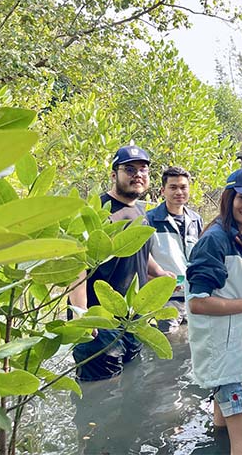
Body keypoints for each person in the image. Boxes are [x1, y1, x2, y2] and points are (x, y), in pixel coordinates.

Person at [69, 145, 176, 381]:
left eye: (143, 170)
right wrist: (82, 315)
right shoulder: (97, 212)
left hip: (131, 318)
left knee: (129, 385)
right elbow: (77, 267)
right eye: (129, 169)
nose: (138, 174)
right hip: (99, 320)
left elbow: (138, 250)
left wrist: (159, 272)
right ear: (113, 175)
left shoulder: (140, 211)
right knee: (101, 395)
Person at [185, 167, 242, 455]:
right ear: (229, 197)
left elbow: (225, 290)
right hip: (228, 355)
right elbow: (197, 302)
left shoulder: (238, 237)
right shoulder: (216, 239)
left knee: (223, 431)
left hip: (234, 348)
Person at [146, 166, 204, 332]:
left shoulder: (195, 219)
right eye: (173, 187)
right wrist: (157, 281)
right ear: (163, 191)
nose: (179, 192)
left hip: (193, 297)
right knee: (168, 346)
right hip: (165, 299)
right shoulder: (149, 220)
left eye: (183, 187)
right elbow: (139, 261)